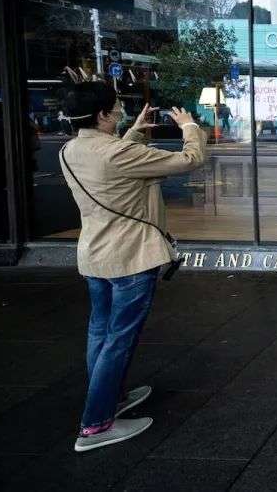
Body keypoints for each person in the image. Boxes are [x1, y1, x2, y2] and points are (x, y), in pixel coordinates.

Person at [58, 81, 206, 452]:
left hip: (95, 254)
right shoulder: (116, 154)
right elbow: (189, 159)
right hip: (130, 256)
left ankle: (112, 399)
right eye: (116, 108)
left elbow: (114, 166)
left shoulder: (69, 149)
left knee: (100, 333)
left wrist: (133, 134)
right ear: (102, 115)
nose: (122, 111)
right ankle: (96, 425)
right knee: (119, 339)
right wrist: (189, 127)